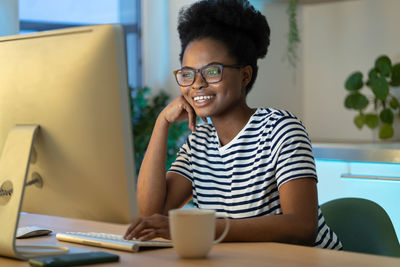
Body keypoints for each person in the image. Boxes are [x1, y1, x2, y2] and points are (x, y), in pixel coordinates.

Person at [124, 0, 342, 249]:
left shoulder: (280, 129)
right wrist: (161, 123)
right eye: (187, 73)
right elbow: (153, 213)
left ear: (245, 75)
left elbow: (302, 228)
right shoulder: (199, 142)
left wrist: (205, 229)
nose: (197, 84)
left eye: (212, 71)